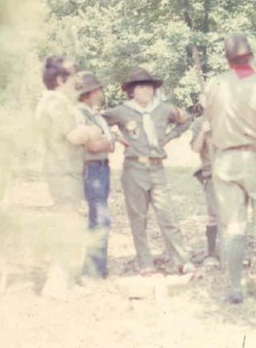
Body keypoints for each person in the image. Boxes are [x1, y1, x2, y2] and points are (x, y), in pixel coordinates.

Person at [205, 33, 256, 304]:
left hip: (226, 161)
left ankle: (235, 288)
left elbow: (210, 120)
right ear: (251, 57)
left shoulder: (214, 85)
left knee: (235, 226)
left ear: (227, 60)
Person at [103, 67, 193, 275]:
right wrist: (115, 137)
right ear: (131, 91)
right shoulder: (121, 111)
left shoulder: (163, 109)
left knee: (167, 215)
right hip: (134, 168)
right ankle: (145, 262)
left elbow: (185, 119)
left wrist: (169, 136)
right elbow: (98, 122)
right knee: (138, 217)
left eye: (149, 87)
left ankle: (180, 260)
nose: (146, 90)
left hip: (156, 167)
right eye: (141, 87)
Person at [35, 55, 102, 298]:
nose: (77, 80)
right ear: (61, 79)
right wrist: (93, 130)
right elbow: (74, 136)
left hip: (68, 170)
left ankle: (64, 282)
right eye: (73, 75)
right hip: (62, 171)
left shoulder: (59, 102)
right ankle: (56, 286)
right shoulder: (55, 103)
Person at [76, 71, 114, 279]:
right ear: (86, 93)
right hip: (92, 168)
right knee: (100, 219)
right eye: (96, 90)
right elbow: (93, 145)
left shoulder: (93, 113)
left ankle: (98, 267)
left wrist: (107, 142)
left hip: (101, 167)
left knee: (99, 218)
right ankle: (93, 270)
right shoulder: (81, 113)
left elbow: (105, 143)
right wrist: (109, 142)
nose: (100, 93)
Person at [189, 112, 220, 268]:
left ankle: (233, 252)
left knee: (233, 215)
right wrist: (203, 131)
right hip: (211, 174)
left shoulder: (230, 115)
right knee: (213, 215)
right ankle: (211, 253)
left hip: (232, 171)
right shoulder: (199, 122)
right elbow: (195, 148)